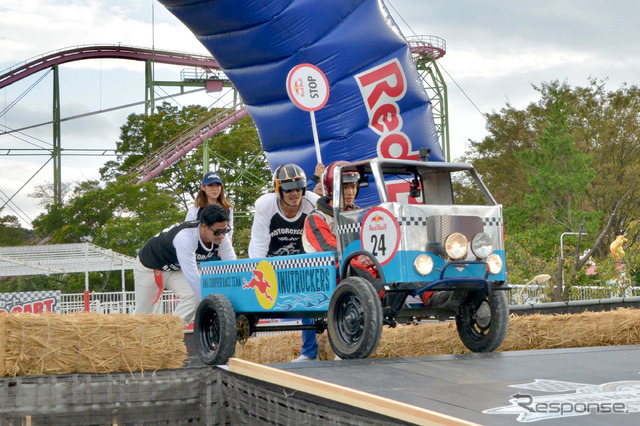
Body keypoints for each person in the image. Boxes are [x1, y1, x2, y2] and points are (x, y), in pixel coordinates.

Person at [296, 160, 362, 361]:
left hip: (356, 268)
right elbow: (329, 250)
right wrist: (361, 261)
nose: (350, 191)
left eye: (353, 186)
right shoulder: (316, 218)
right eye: (345, 186)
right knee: (334, 280)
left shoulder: (362, 215)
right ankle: (309, 352)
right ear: (333, 188)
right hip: (323, 273)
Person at [134, 204, 236, 325]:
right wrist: (213, 306)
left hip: (175, 269)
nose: (222, 235)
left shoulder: (221, 238)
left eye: (225, 230)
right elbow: (193, 276)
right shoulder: (186, 238)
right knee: (144, 314)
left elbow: (232, 267)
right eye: (218, 231)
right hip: (150, 266)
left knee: (192, 296)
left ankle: (170, 332)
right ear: (204, 226)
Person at [248, 163, 320, 258]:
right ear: (279, 190)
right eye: (288, 190)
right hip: (273, 263)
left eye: (298, 188)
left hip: (304, 264)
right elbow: (259, 244)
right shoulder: (266, 205)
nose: (295, 194)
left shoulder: (314, 203)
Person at [186, 171, 234, 239]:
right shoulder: (195, 209)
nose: (215, 189)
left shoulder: (228, 209)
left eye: (218, 185)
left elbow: (229, 235)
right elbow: (187, 232)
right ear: (203, 187)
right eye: (210, 185)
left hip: (220, 246)